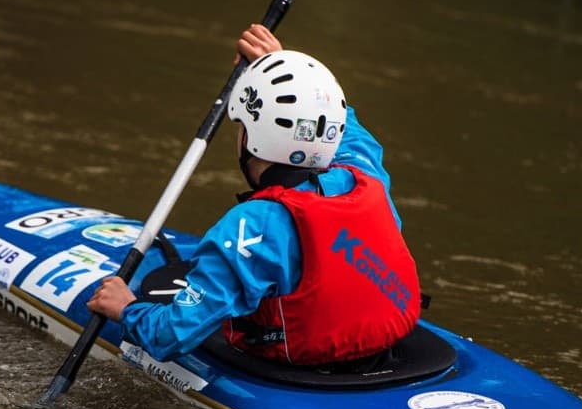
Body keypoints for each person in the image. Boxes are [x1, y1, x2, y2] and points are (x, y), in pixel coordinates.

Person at [87, 24, 420, 367]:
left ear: (250, 137)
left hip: (301, 366)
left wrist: (126, 308)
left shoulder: (253, 225)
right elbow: (345, 130)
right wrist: (281, 66)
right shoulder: (365, 174)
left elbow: (171, 335)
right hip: (383, 350)